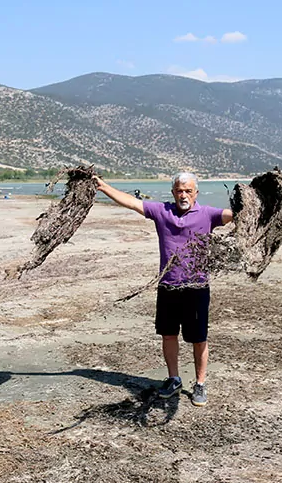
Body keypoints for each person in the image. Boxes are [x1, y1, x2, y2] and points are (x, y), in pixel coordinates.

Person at [94, 172, 233, 406]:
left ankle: (199, 384)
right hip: (168, 286)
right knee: (168, 335)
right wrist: (103, 186)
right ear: (173, 193)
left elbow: (235, 215)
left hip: (197, 287)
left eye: (188, 190)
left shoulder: (208, 214)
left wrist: (258, 202)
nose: (183, 195)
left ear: (196, 193)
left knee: (198, 338)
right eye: (179, 190)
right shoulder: (162, 211)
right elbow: (131, 202)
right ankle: (174, 379)